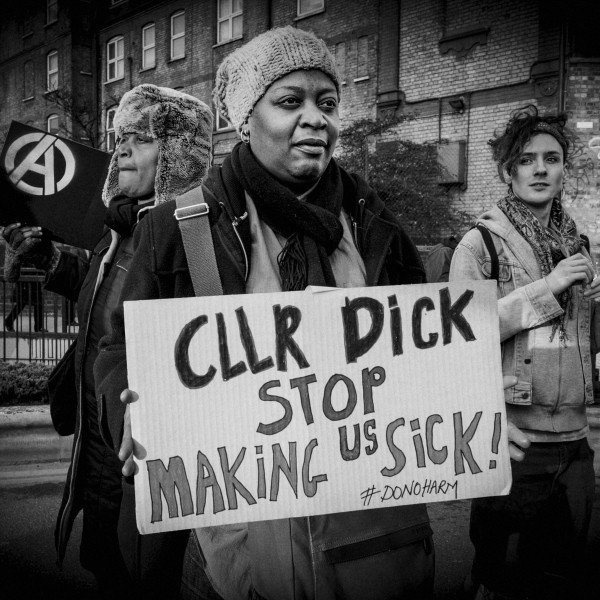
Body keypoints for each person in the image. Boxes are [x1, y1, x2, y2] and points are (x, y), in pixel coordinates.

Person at [95, 27, 531, 600]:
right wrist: (128, 407)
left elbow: (418, 364)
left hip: (374, 554)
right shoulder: (175, 231)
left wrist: (468, 396)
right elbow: (117, 349)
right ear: (245, 119)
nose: (314, 119)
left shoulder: (376, 229)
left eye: (327, 103)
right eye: (289, 101)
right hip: (236, 553)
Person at [2, 84, 213, 599]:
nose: (119, 150)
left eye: (137, 140)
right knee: (108, 570)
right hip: (96, 455)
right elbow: (104, 298)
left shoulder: (195, 239)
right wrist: (48, 260)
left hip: (147, 468)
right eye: (118, 138)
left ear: (177, 155)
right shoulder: (119, 229)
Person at [449, 105, 599, 600]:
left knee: (563, 577)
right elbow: (461, 334)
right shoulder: (478, 245)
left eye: (551, 159)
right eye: (527, 159)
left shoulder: (576, 244)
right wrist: (551, 287)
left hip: (576, 444)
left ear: (562, 169)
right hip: (515, 443)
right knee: (502, 581)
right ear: (508, 170)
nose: (540, 169)